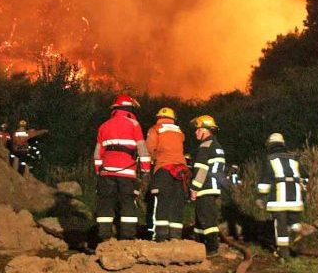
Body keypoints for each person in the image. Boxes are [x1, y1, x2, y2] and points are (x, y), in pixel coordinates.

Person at [93, 94, 151, 240]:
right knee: (127, 204)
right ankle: (127, 238)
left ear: (115, 109)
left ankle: (104, 237)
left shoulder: (104, 126)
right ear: (130, 109)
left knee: (105, 203)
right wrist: (145, 171)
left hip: (106, 173)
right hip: (127, 173)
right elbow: (142, 150)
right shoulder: (134, 125)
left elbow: (97, 154)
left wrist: (99, 171)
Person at [257, 132, 308, 260]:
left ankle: (283, 253)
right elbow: (305, 177)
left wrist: (261, 197)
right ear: (283, 144)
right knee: (294, 220)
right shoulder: (294, 158)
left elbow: (265, 181)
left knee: (281, 225)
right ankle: (297, 230)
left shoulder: (270, 159)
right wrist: (303, 192)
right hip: (295, 197)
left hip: (278, 199)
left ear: (269, 145)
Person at [146, 107, 190, 241]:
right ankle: (175, 236)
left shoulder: (155, 129)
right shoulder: (179, 131)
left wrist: (151, 160)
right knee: (177, 202)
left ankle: (160, 236)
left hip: (163, 168)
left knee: (161, 201)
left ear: (158, 117)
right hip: (180, 170)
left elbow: (149, 148)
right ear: (173, 119)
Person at [189, 114, 226, 257]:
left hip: (205, 187)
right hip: (214, 187)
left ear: (204, 130)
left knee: (206, 218)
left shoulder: (205, 146)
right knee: (201, 218)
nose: (195, 132)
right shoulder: (217, 146)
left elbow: (201, 169)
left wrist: (194, 188)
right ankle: (199, 244)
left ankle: (212, 248)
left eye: (197, 129)